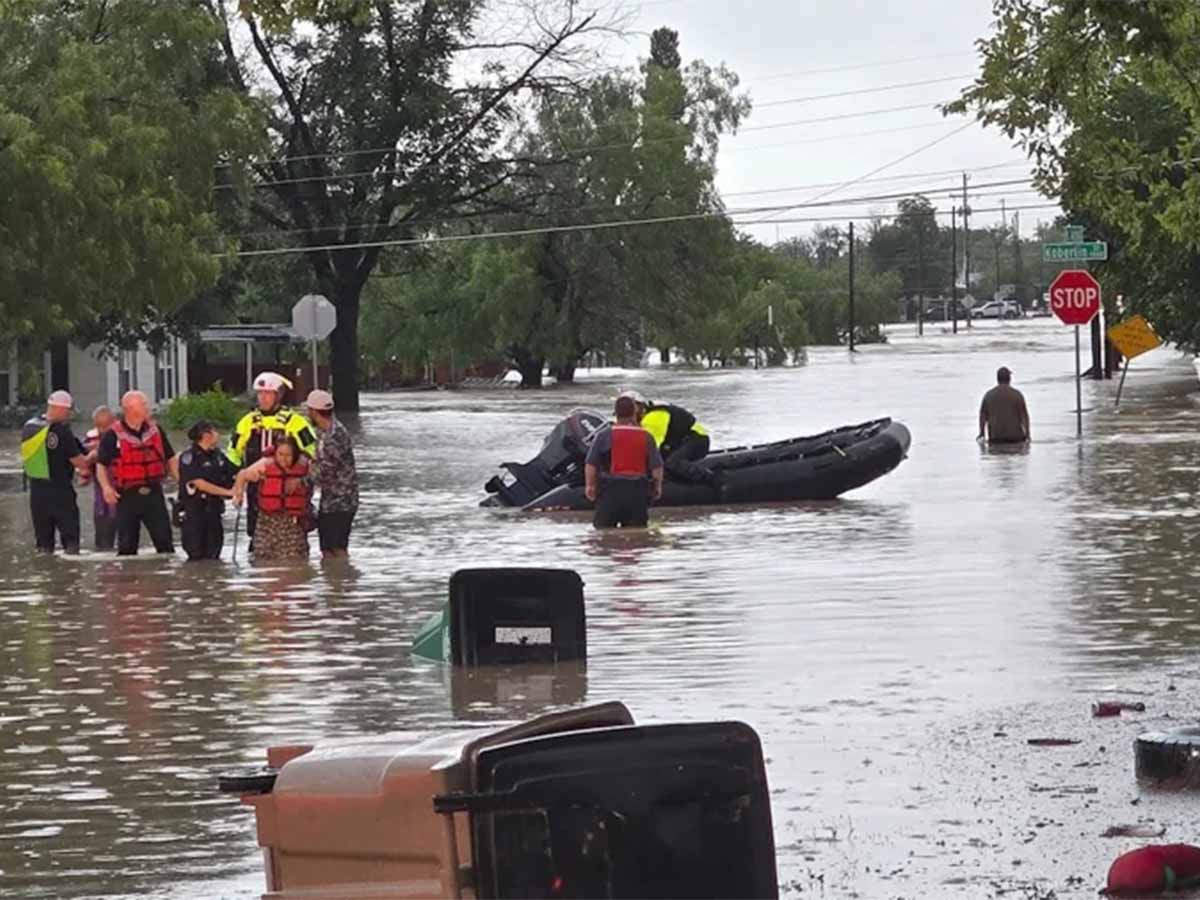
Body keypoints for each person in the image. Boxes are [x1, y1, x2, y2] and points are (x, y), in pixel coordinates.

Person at [227, 372, 317, 544]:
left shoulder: (296, 423)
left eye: (268, 393)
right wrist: (238, 480)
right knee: (256, 536)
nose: (263, 398)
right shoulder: (247, 422)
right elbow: (233, 453)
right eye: (260, 393)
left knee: (294, 536)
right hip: (257, 488)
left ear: (279, 395)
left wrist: (299, 479)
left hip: (288, 487)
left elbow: (312, 453)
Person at [96, 390, 180, 556]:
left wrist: (181, 482)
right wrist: (106, 488)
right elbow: (101, 465)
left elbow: (170, 458)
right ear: (130, 408)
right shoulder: (112, 435)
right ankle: (130, 579)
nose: (148, 408)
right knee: (127, 548)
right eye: (144, 405)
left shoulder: (156, 430)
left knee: (165, 544)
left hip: (153, 493)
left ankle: (165, 579)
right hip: (127, 496)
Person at [20, 390, 90, 553]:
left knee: (44, 545)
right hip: (61, 492)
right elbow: (80, 462)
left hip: (36, 492)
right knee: (71, 542)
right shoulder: (61, 430)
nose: (69, 415)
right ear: (60, 409)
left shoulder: (30, 426)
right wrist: (94, 457)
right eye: (68, 411)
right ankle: (71, 574)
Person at [584, 395, 664, 529]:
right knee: (637, 537)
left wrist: (590, 486)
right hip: (637, 491)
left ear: (615, 413)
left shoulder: (604, 435)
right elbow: (657, 467)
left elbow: (591, 464)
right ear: (634, 412)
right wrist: (657, 487)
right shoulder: (646, 436)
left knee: (603, 535)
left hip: (610, 491)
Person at [233, 436, 313, 560]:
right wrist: (238, 494)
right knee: (264, 559)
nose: (284, 459)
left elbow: (322, 477)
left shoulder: (305, 465)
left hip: (293, 521)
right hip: (268, 521)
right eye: (280, 454)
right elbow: (242, 475)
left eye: (288, 455)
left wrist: (302, 481)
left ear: (295, 455)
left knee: (295, 561)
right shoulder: (266, 463)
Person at [621, 390, 719, 486]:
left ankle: (714, 479)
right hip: (678, 442)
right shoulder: (643, 416)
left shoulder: (653, 418)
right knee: (665, 463)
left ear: (639, 406)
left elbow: (652, 448)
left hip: (696, 439)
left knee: (672, 463)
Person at [305, 389, 359, 558]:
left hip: (343, 501)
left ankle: (343, 579)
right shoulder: (323, 432)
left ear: (314, 412)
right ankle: (334, 579)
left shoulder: (335, 435)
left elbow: (326, 470)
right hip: (329, 499)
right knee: (327, 549)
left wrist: (302, 482)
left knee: (337, 548)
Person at [178, 421, 237, 561]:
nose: (218, 434)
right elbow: (199, 483)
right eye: (215, 431)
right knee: (196, 558)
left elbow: (235, 472)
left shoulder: (218, 455)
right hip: (195, 514)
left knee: (214, 556)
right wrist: (227, 493)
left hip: (214, 512)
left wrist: (239, 487)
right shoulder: (189, 457)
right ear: (206, 435)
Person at [79, 406, 118, 551]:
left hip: (120, 492)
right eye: (99, 426)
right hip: (100, 495)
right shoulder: (90, 439)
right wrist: (85, 471)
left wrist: (98, 452)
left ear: (114, 422)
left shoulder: (122, 436)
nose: (102, 430)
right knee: (102, 536)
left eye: (105, 426)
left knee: (121, 528)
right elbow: (82, 460)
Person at [978, 366, 1031, 444]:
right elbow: (1024, 416)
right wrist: (1027, 434)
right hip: (1015, 438)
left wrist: (982, 434)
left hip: (996, 438)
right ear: (1009, 379)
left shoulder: (988, 395)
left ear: (997, 379)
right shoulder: (1017, 395)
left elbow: (982, 417)